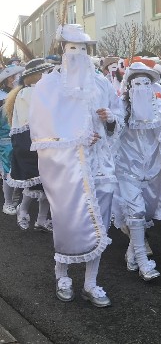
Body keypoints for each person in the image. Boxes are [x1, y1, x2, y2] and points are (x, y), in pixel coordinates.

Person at [30, 24, 118, 307]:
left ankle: (91, 282)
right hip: (68, 167)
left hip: (100, 165)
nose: (78, 54)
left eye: (83, 49)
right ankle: (62, 274)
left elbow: (117, 120)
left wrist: (110, 119)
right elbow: (43, 132)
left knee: (100, 223)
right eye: (72, 48)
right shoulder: (48, 85)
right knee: (68, 221)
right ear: (62, 50)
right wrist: (77, 141)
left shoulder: (102, 83)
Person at [114, 62, 161, 282]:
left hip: (152, 171)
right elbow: (113, 132)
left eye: (147, 83)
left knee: (143, 213)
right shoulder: (121, 106)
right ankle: (143, 262)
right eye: (137, 83)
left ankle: (131, 252)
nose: (142, 88)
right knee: (135, 212)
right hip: (127, 168)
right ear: (129, 86)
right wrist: (110, 122)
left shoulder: (159, 107)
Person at [4, 58, 54, 231]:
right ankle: (22, 210)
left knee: (49, 186)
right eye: (44, 73)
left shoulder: (43, 91)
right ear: (35, 76)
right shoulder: (28, 94)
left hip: (48, 143)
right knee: (33, 182)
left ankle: (41, 219)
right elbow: (33, 121)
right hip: (32, 144)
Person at [0, 65, 24, 216]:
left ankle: (16, 198)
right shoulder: (1, 97)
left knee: (20, 170)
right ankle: (7, 202)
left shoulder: (22, 94)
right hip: (5, 141)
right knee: (8, 171)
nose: (17, 79)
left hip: (19, 137)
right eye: (14, 76)